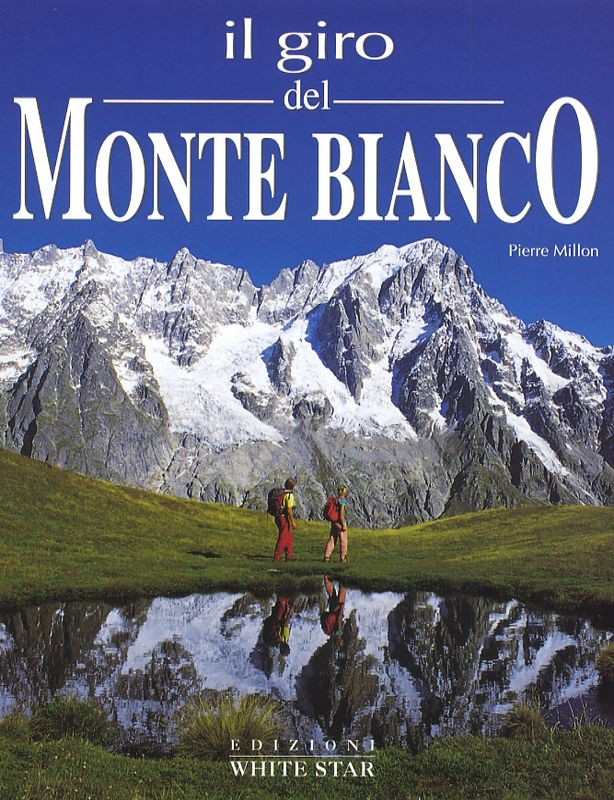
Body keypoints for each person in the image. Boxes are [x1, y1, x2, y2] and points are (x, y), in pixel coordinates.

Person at [273, 477, 297, 561]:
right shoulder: (289, 495)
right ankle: (277, 556)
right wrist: (293, 522)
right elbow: (289, 509)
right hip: (284, 518)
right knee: (283, 537)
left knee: (289, 536)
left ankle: (289, 555)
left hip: (278, 517)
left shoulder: (281, 493)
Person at [323, 485, 349, 563]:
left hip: (333, 522)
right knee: (343, 540)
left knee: (332, 538)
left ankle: (327, 556)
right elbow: (341, 514)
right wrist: (343, 524)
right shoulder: (342, 501)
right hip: (339, 522)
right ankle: (343, 557)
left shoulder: (335, 500)